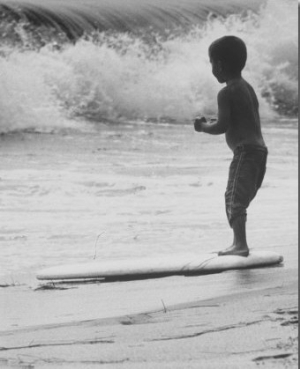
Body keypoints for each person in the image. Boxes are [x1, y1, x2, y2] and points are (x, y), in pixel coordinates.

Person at [194, 35, 268, 257]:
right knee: (240, 198)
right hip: (260, 151)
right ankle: (239, 242)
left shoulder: (226, 92)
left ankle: (240, 244)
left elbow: (222, 126)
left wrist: (204, 127)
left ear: (219, 64)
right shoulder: (247, 87)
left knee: (234, 198)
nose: (212, 68)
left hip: (245, 152)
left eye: (211, 63)